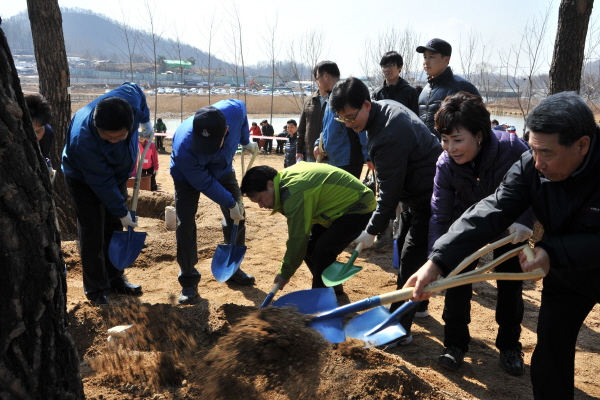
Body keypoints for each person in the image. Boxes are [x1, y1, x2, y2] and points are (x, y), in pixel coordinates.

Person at [405, 91, 600, 399]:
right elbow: (491, 210)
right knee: (550, 353)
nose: (537, 164)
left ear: (582, 145)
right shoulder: (531, 164)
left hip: (579, 257)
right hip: (564, 272)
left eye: (546, 153)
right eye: (533, 150)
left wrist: (554, 250)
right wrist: (438, 260)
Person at [329, 77, 442, 345]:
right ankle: (420, 306)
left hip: (429, 197)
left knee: (412, 259)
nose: (348, 124)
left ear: (366, 105)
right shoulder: (382, 109)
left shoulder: (388, 134)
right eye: (341, 119)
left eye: (350, 117)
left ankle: (399, 330)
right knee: (404, 251)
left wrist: (371, 230)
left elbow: (388, 195)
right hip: (413, 193)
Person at [428, 92, 534, 375]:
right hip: (466, 226)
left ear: (480, 135)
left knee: (510, 287)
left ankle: (510, 345)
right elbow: (440, 214)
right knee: (456, 281)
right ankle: (454, 344)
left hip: (509, 228)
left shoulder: (512, 148)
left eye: (458, 140)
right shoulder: (445, 164)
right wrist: (436, 259)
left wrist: (525, 220)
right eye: (444, 139)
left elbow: (537, 183)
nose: (450, 148)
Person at [62, 82, 152, 305]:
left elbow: (136, 89)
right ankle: (96, 289)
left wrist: (146, 121)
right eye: (107, 136)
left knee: (114, 225)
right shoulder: (82, 141)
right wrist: (123, 211)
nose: (113, 140)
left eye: (119, 136)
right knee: (93, 229)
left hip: (117, 174)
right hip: (83, 178)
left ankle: (115, 279)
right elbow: (101, 182)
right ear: (95, 125)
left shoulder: (128, 100)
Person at [170, 99, 258, 305]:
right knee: (185, 222)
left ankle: (233, 268)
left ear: (226, 131)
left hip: (223, 168)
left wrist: (245, 140)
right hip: (187, 175)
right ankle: (188, 280)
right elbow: (204, 183)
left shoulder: (235, 110)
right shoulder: (185, 145)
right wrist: (230, 202)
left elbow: (243, 117)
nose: (206, 148)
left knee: (238, 217)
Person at [240, 163, 376, 291]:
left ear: (270, 185)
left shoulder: (293, 193)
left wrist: (285, 273)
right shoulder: (282, 183)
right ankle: (331, 287)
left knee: (323, 249)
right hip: (333, 209)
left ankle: (320, 299)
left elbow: (298, 238)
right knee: (309, 247)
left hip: (358, 206)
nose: (261, 206)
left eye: (260, 199)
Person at [312, 61, 370, 178]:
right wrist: (318, 143)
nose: (316, 83)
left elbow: (362, 128)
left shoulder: (348, 95)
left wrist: (368, 156)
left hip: (348, 161)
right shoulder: (330, 99)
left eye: (317, 78)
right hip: (335, 160)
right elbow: (327, 127)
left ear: (326, 76)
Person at [416, 38, 480, 140]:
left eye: (431, 57)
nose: (426, 62)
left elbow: (478, 126)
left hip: (450, 152)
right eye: (425, 57)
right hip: (424, 152)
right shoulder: (425, 89)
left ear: (446, 59)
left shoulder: (462, 88)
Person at [371, 51, 419, 115]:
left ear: (400, 67)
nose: (387, 69)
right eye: (384, 66)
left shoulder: (410, 92)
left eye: (391, 65)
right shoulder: (377, 93)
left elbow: (416, 119)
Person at [296, 70, 328, 162]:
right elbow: (301, 128)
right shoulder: (309, 101)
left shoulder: (335, 102)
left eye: (327, 77)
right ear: (316, 80)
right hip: (310, 154)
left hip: (330, 156)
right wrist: (298, 150)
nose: (325, 80)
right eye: (322, 77)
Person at [24, 92, 55, 169]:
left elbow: (42, 156)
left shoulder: (47, 134)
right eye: (30, 131)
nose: (34, 136)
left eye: (38, 131)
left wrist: (48, 165)